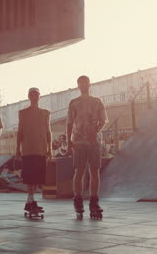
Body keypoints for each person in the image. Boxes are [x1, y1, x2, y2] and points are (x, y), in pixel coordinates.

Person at [66, 75, 108, 216]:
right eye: (81, 83)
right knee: (79, 171)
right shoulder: (74, 103)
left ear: (90, 84)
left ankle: (94, 201)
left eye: (86, 83)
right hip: (78, 142)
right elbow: (69, 123)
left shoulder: (97, 102)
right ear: (78, 86)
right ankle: (78, 200)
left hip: (94, 142)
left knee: (94, 171)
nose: (84, 85)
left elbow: (103, 120)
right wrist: (68, 141)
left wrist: (94, 131)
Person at [16, 87, 52, 213]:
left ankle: (30, 201)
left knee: (37, 178)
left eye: (36, 95)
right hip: (27, 149)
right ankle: (30, 199)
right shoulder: (23, 113)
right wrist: (17, 149)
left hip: (41, 149)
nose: (34, 97)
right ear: (29, 96)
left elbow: (48, 131)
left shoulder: (45, 113)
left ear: (39, 97)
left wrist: (50, 148)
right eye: (32, 95)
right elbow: (20, 131)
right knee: (29, 177)